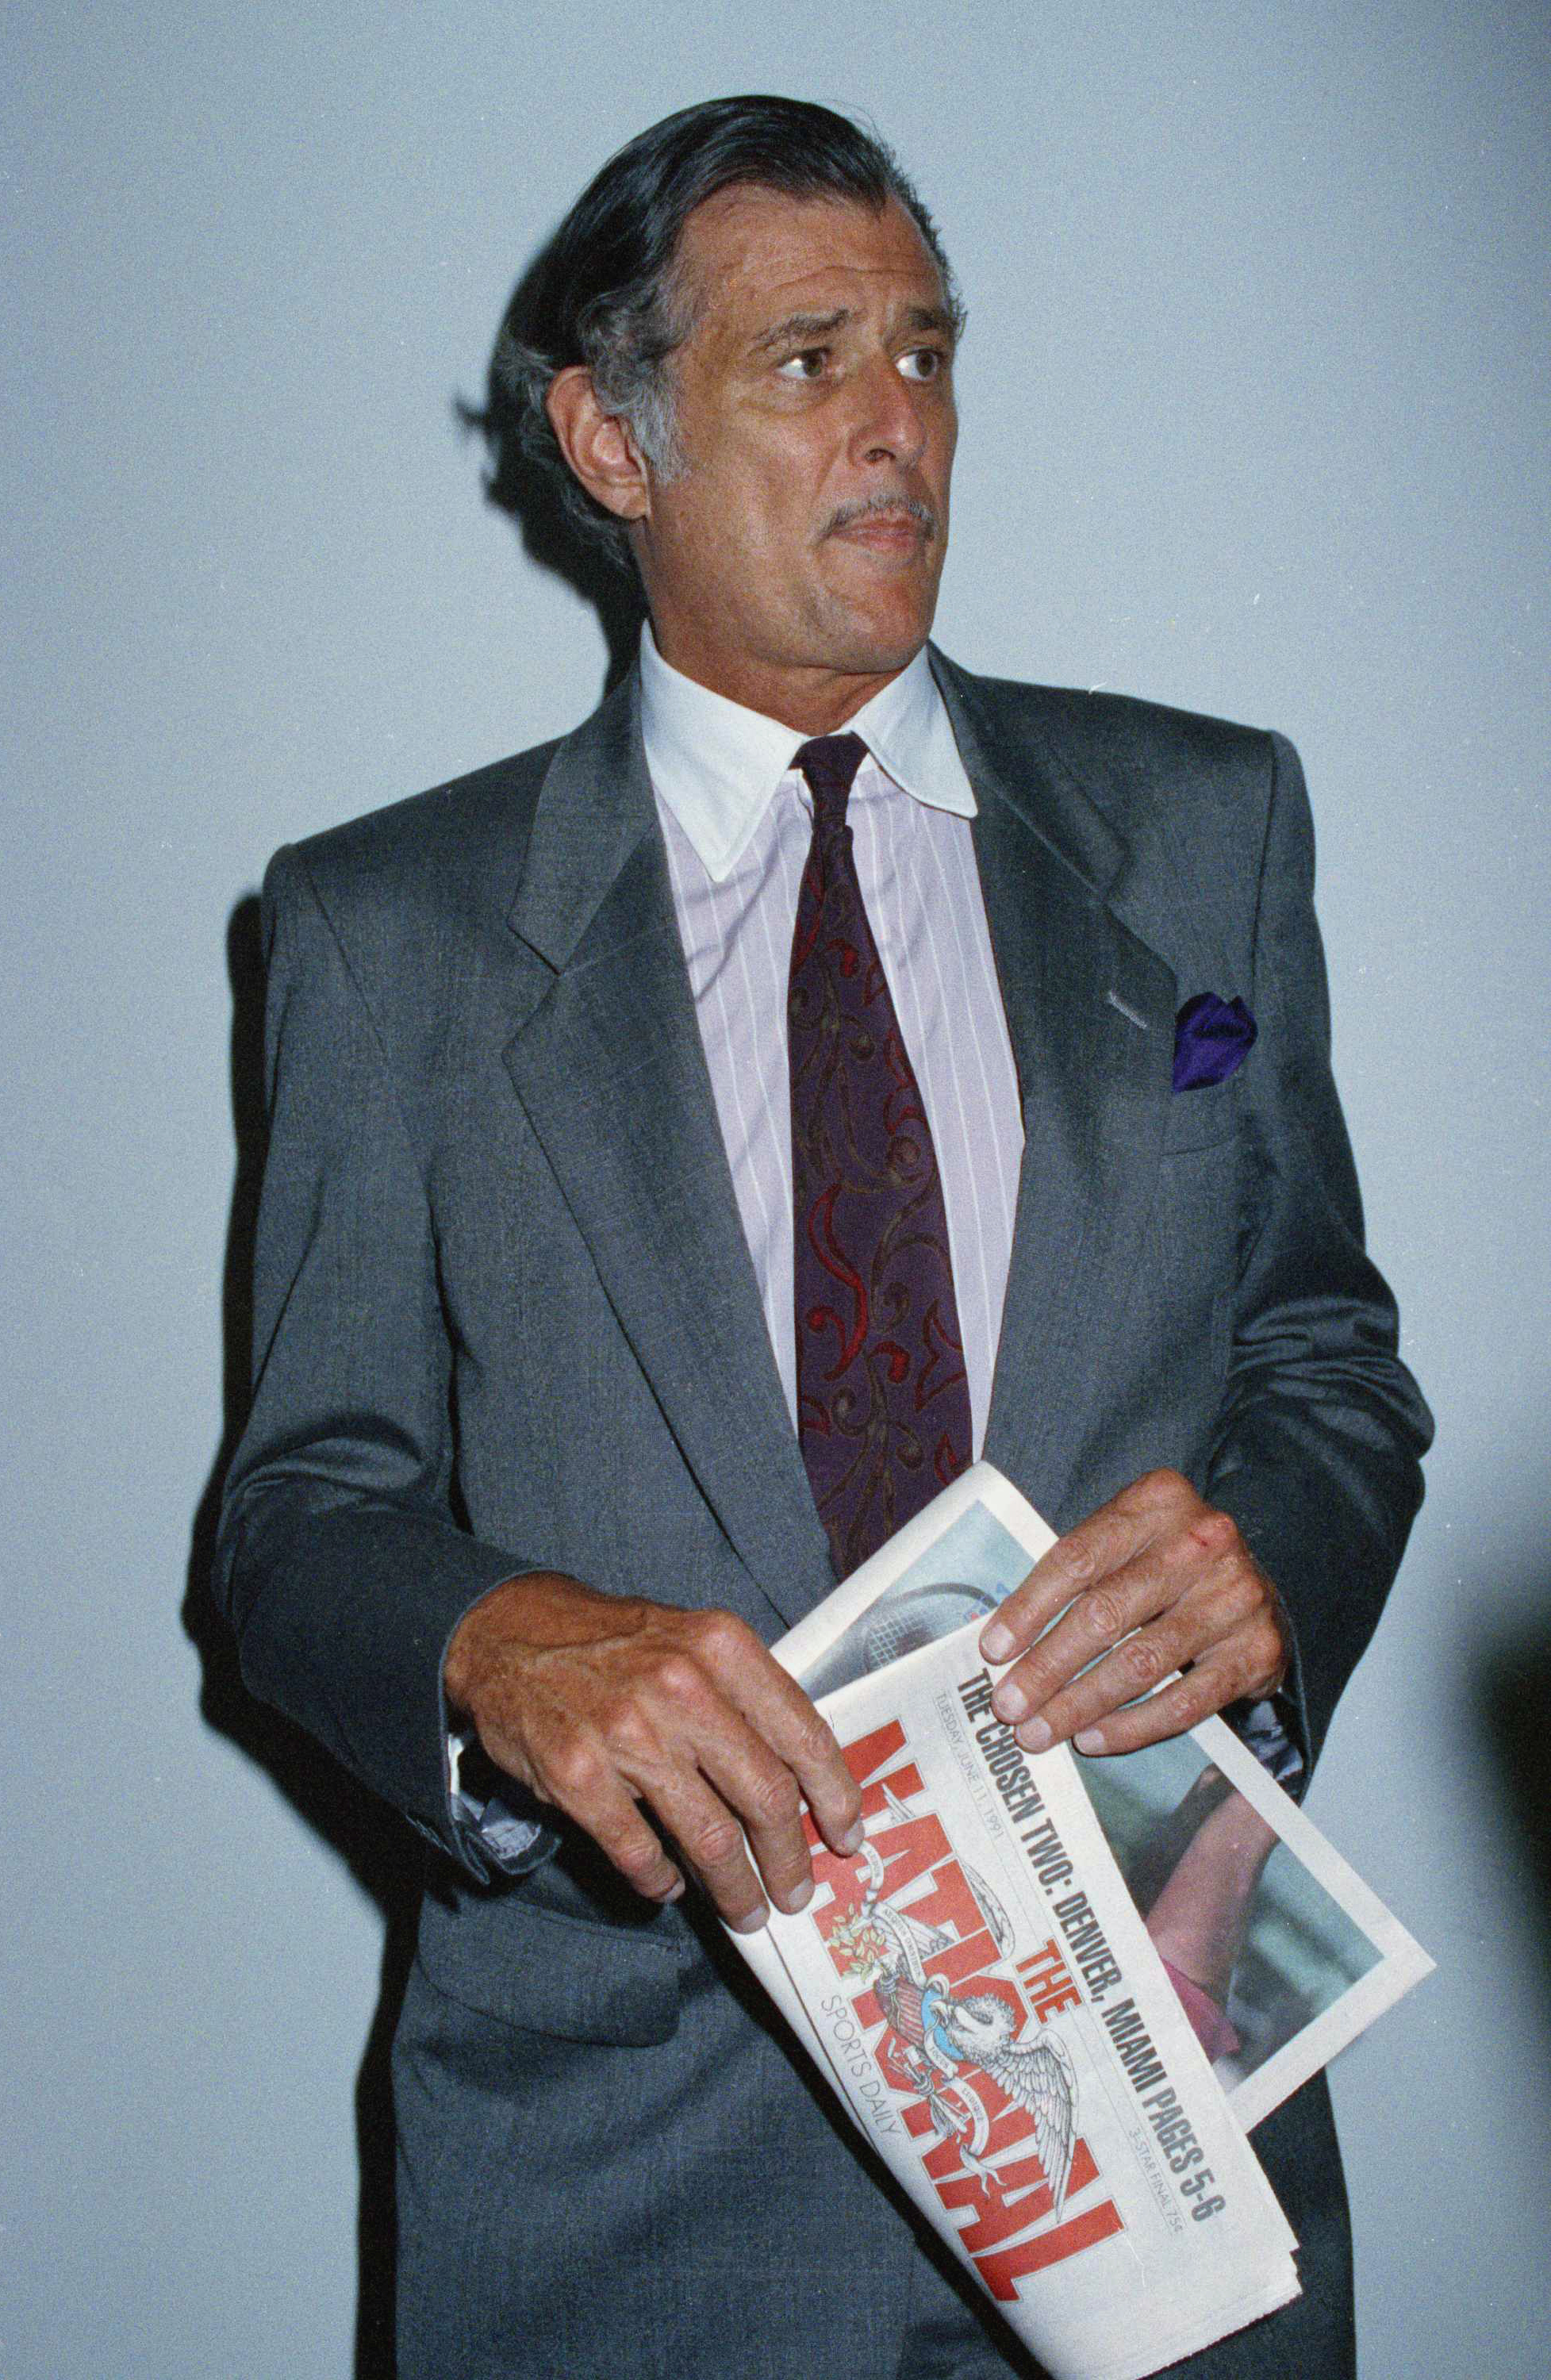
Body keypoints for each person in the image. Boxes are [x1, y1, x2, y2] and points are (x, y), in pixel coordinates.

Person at [215, 94, 1431, 2380]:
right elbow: (301, 1524)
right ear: (609, 438)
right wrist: (492, 1640)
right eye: (803, 359)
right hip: (617, 2190)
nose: (896, 425)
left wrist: (1272, 1558)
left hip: (1165, 2119)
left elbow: (1324, 1359)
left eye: (927, 352)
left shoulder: (1201, 829)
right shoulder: (386, 937)